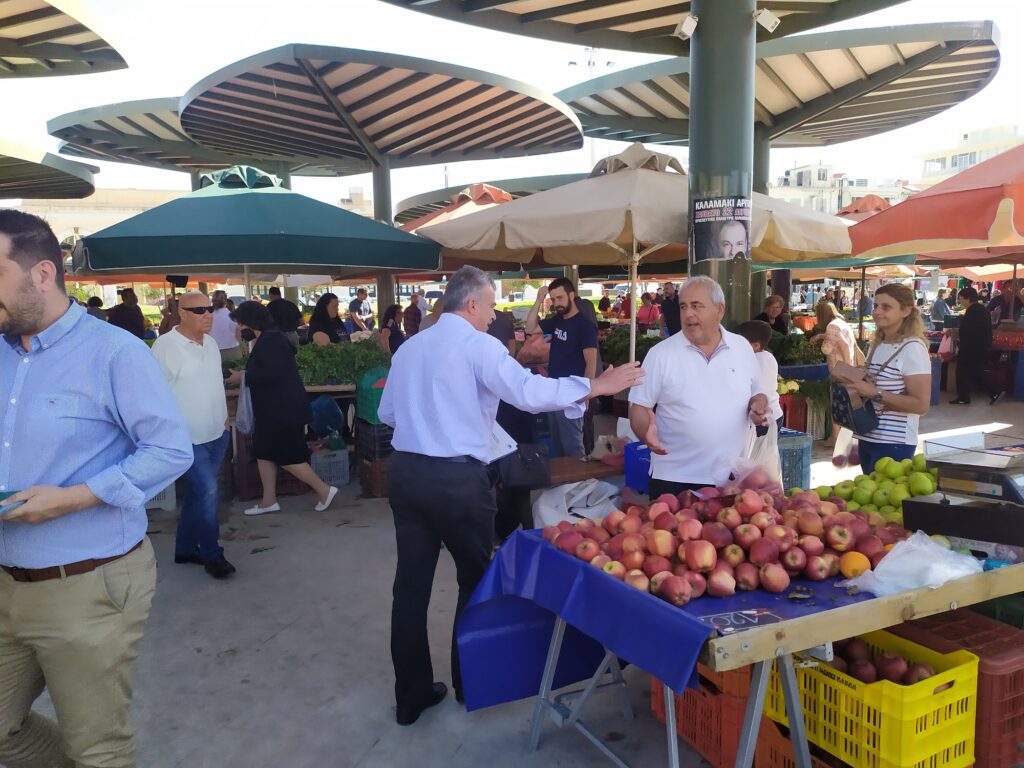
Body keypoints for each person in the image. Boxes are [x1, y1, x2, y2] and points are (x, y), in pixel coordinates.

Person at [378, 265, 643, 724]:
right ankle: (471, 683)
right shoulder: (478, 344)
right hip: (457, 480)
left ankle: (411, 694)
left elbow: (387, 413)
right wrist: (597, 385)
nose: (493, 315)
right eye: (492, 305)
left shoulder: (412, 348)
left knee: (411, 587)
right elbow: (527, 393)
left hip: (406, 475)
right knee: (475, 580)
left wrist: (433, 423)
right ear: (473, 304)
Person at [0, 209, 193, 766]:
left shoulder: (115, 352)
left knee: (98, 747)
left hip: (87, 585)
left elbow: (169, 451)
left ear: (41, 274)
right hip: (6, 581)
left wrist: (74, 497)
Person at [629, 276, 769, 496]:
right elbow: (638, 407)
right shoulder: (660, 354)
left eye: (696, 306)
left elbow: (757, 392)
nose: (688, 314)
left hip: (729, 477)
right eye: (683, 307)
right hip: (673, 477)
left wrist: (758, 405)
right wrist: (645, 433)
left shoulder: (741, 347)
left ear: (719, 310)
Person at [151, 291, 236, 579]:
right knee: (209, 491)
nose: (207, 314)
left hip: (217, 433)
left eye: (210, 308)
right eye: (199, 310)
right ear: (182, 313)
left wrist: (225, 418)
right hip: (185, 439)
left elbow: (213, 382)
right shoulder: (164, 346)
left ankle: (185, 548)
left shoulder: (211, 343)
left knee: (199, 494)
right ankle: (213, 554)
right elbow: (152, 395)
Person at [229, 301, 338, 516]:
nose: (239, 329)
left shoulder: (271, 340)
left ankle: (324, 490)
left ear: (251, 322)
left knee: (287, 457)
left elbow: (273, 372)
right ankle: (268, 500)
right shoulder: (268, 339)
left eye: (241, 323)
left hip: (283, 411)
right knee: (263, 452)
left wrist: (242, 376)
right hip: (274, 410)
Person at [846, 284, 931, 471]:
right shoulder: (878, 344)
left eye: (886, 307)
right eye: (876, 306)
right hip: (867, 435)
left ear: (906, 311)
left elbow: (921, 405)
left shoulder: (913, 348)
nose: (877, 312)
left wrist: (874, 392)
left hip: (894, 442)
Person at [526, 278, 598, 457]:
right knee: (557, 445)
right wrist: (538, 300)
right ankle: (566, 483)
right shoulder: (557, 320)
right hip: (554, 391)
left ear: (571, 295)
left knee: (573, 447)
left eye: (560, 298)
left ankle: (579, 482)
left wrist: (587, 395)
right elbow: (530, 328)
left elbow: (591, 363)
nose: (556, 303)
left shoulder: (585, 326)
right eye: (553, 299)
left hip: (573, 394)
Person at [950, 286, 1002, 405]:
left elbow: (968, 330)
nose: (960, 301)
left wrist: (958, 333)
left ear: (967, 298)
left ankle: (993, 390)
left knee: (967, 371)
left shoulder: (974, 311)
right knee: (974, 371)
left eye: (961, 298)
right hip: (979, 346)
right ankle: (991, 391)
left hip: (972, 347)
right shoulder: (980, 309)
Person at [736, 320, 784, 429]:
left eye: (741, 343)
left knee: (758, 446)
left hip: (762, 417)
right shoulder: (768, 356)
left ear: (756, 345)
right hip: (775, 414)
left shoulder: (754, 361)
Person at [810, 301, 857, 369]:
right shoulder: (841, 323)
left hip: (841, 371)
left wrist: (848, 369)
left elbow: (844, 347)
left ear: (821, 315)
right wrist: (819, 336)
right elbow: (835, 338)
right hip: (844, 369)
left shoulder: (832, 327)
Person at [210, 289, 241, 361]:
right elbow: (238, 335)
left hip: (214, 351)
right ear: (225, 301)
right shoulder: (233, 316)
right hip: (232, 349)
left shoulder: (208, 316)